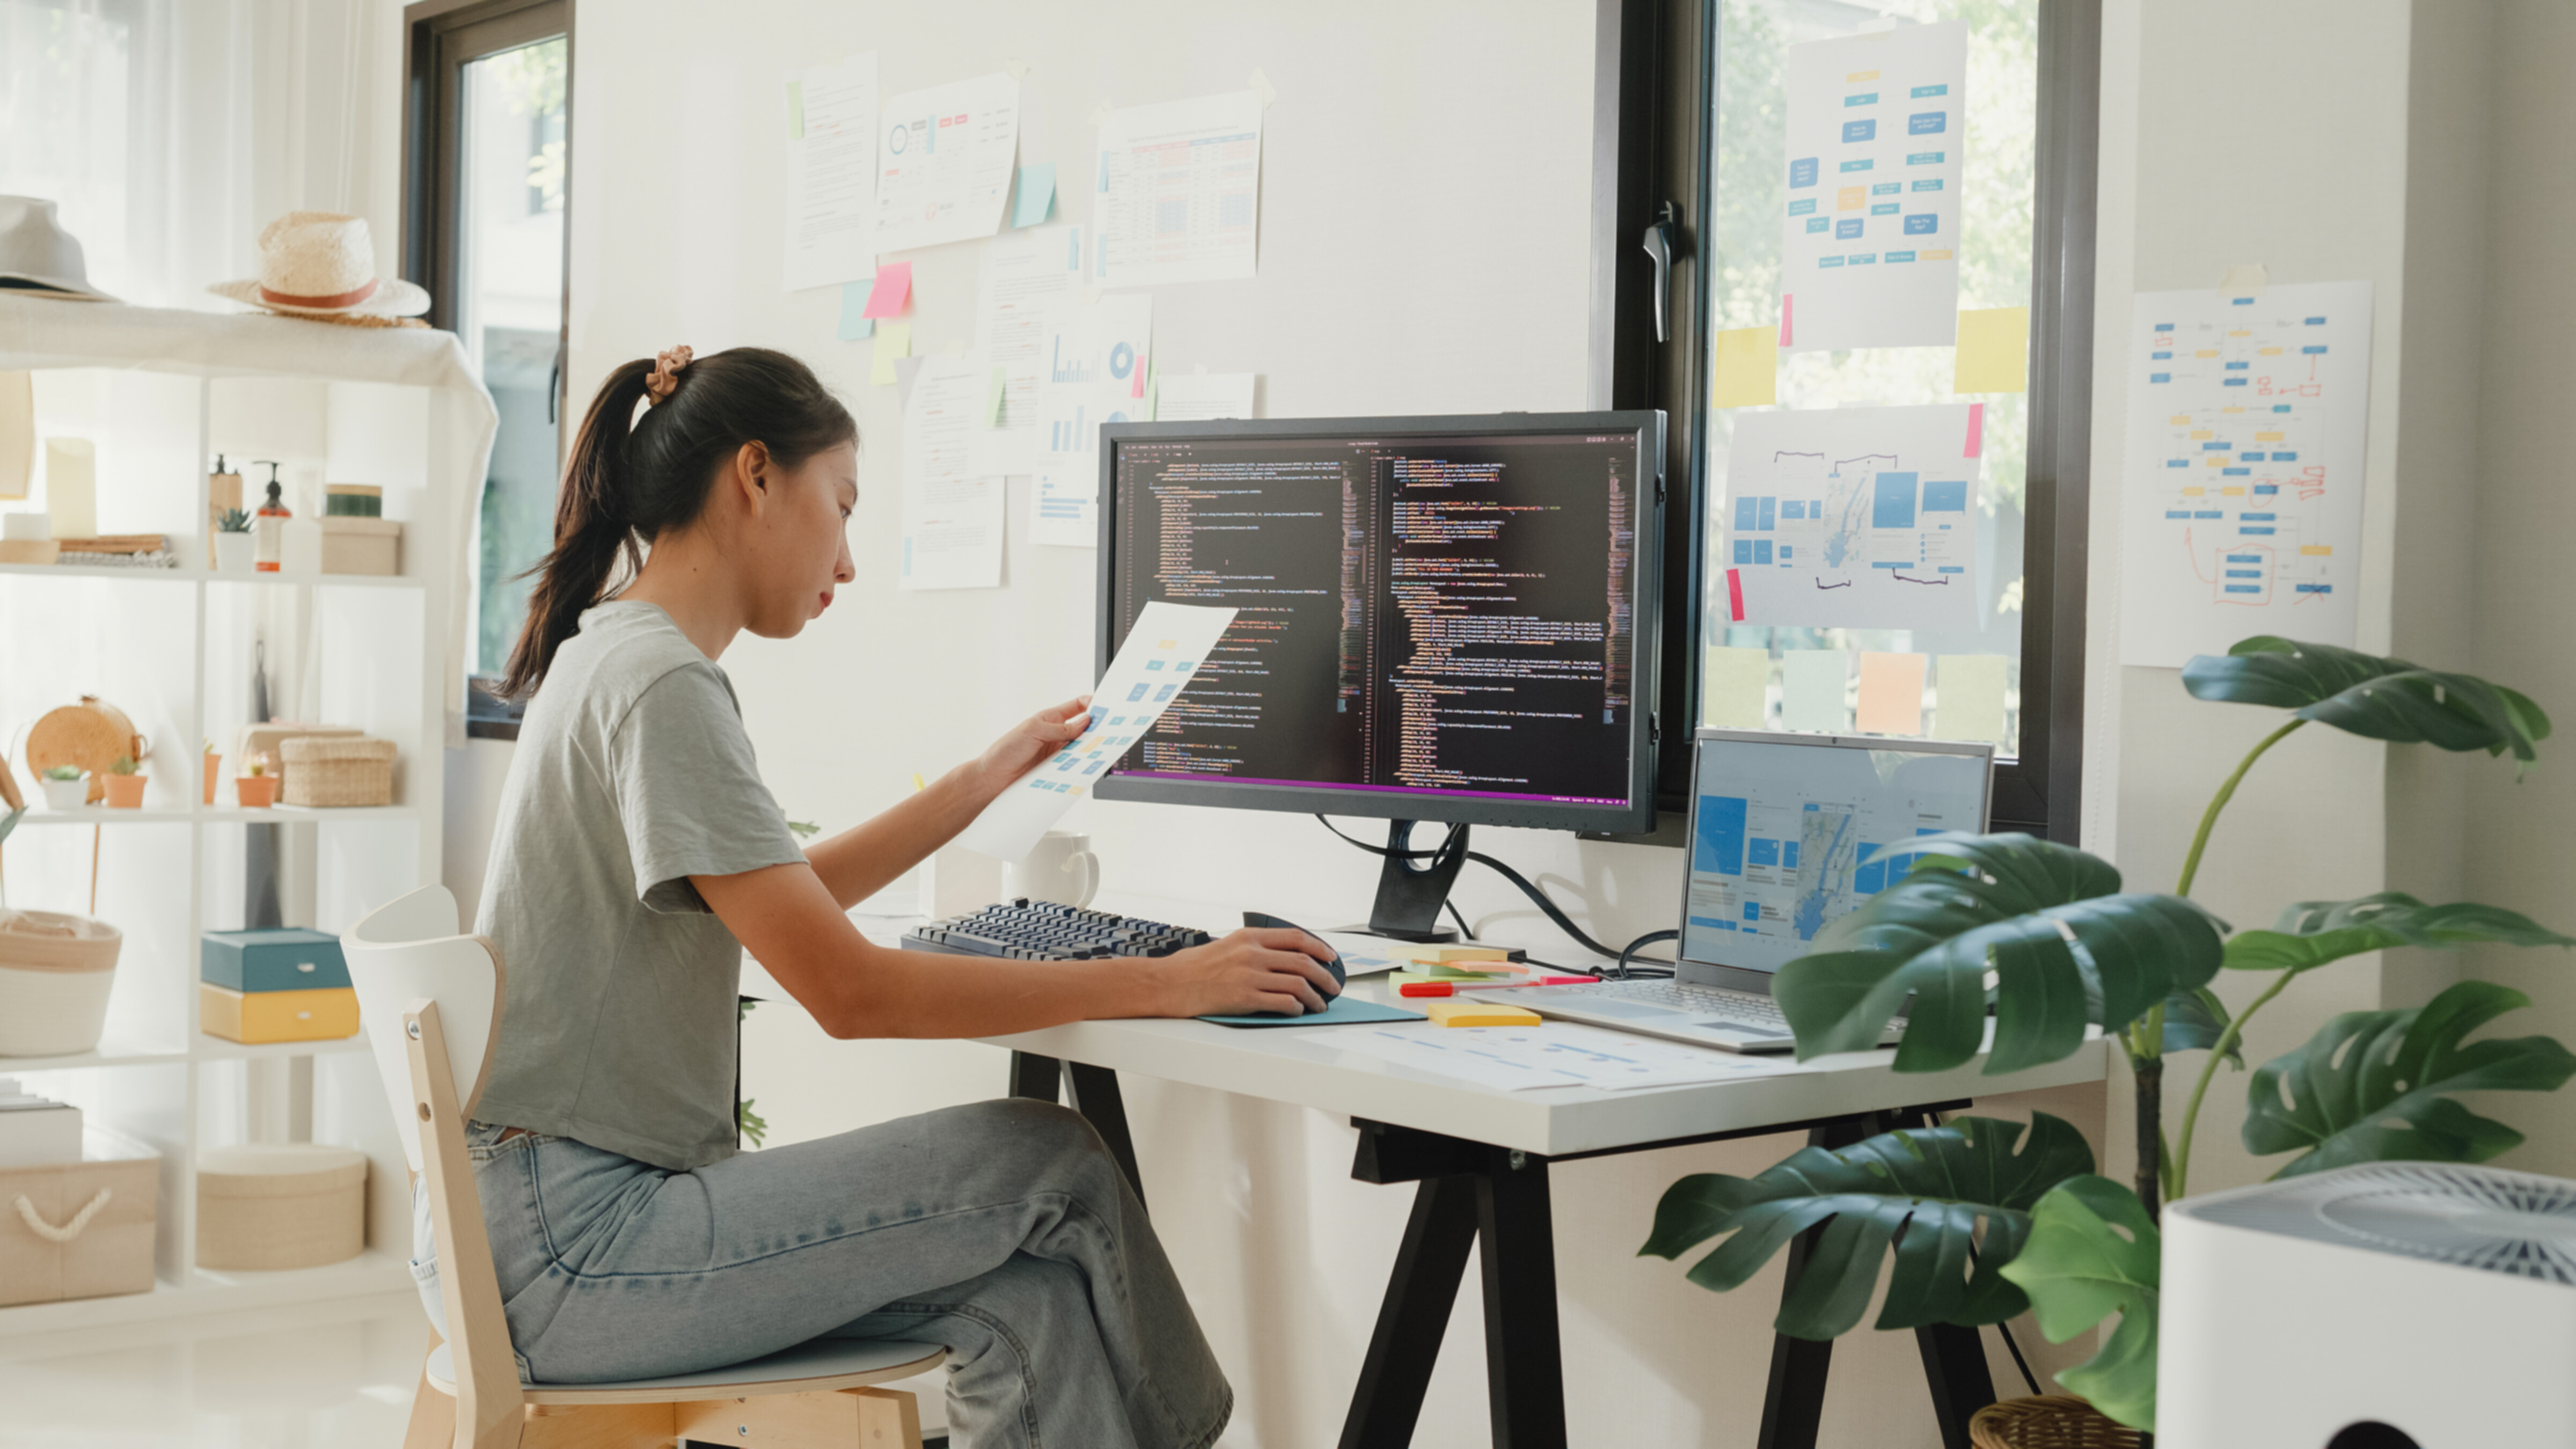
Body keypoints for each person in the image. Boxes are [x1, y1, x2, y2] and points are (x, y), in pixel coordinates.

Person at [409, 345, 1341, 1449]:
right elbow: (846, 991)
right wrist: (1171, 981)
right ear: (756, 476)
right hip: (575, 1252)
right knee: (1057, 1158)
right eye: (842, 506)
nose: (846, 563)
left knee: (1027, 1303)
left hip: (527, 1233)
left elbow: (785, 903)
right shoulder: (661, 685)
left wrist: (977, 781)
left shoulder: (613, 653)